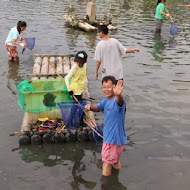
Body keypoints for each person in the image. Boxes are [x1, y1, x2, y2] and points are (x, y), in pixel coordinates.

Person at [85, 76, 127, 176]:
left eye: (109, 87)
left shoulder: (118, 101)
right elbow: (99, 107)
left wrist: (119, 95)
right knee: (115, 161)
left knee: (106, 164)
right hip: (116, 139)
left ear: (114, 86)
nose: (106, 89)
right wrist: (90, 107)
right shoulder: (106, 99)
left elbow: (120, 101)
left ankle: (107, 184)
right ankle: (118, 178)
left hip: (113, 140)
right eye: (104, 87)